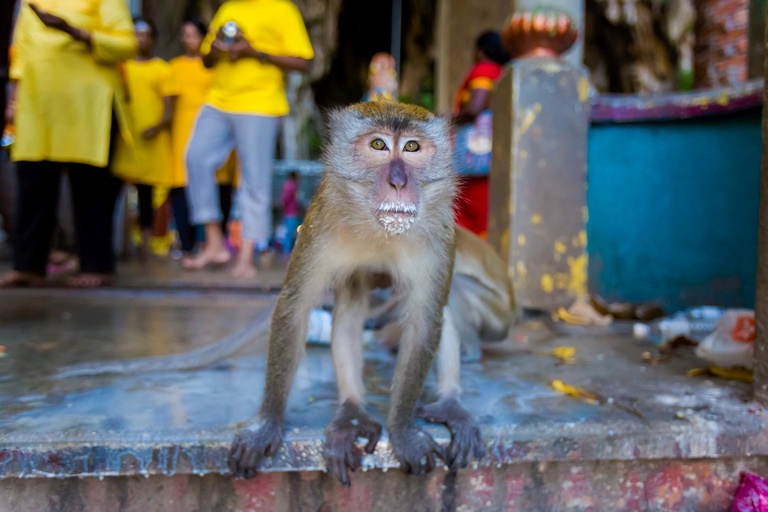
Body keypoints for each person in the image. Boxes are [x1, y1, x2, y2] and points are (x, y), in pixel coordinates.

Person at [1, 0, 137, 287]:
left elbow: (127, 45)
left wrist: (74, 31)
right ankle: (29, 266)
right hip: (39, 104)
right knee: (33, 184)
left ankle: (97, 266)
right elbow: (21, 54)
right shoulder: (31, 2)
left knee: (90, 187)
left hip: (88, 104)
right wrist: (14, 99)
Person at [183, 0, 314, 278]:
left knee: (255, 180)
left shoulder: (282, 10)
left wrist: (254, 52)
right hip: (218, 101)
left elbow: (304, 62)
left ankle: (246, 255)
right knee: (195, 157)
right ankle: (214, 242)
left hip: (260, 104)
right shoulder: (229, 8)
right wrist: (217, 49)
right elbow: (206, 61)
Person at [168, 18, 239, 258]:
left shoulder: (219, 64)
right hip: (183, 129)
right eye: (184, 35)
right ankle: (188, 245)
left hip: (216, 126)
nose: (188, 40)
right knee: (183, 182)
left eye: (193, 35)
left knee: (220, 184)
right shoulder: (175, 66)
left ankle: (216, 242)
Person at [112, 17, 178, 260]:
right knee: (115, 193)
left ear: (153, 39)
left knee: (147, 194)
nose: (141, 39)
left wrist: (156, 127)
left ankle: (145, 245)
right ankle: (120, 243)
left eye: (145, 34)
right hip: (124, 141)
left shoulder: (162, 69)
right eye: (136, 34)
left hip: (152, 142)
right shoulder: (120, 66)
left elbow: (169, 108)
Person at [452, 30, 510, 238]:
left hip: (474, 156)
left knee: (469, 207)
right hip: (486, 154)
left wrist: (443, 120)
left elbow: (475, 107)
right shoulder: (501, 73)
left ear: (480, 51)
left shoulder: (485, 70)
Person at [279, 170, 301, 253]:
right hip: (290, 212)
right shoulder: (291, 186)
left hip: (289, 212)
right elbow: (286, 199)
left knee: (288, 231)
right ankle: (286, 250)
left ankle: (286, 249)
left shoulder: (287, 185)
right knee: (289, 232)